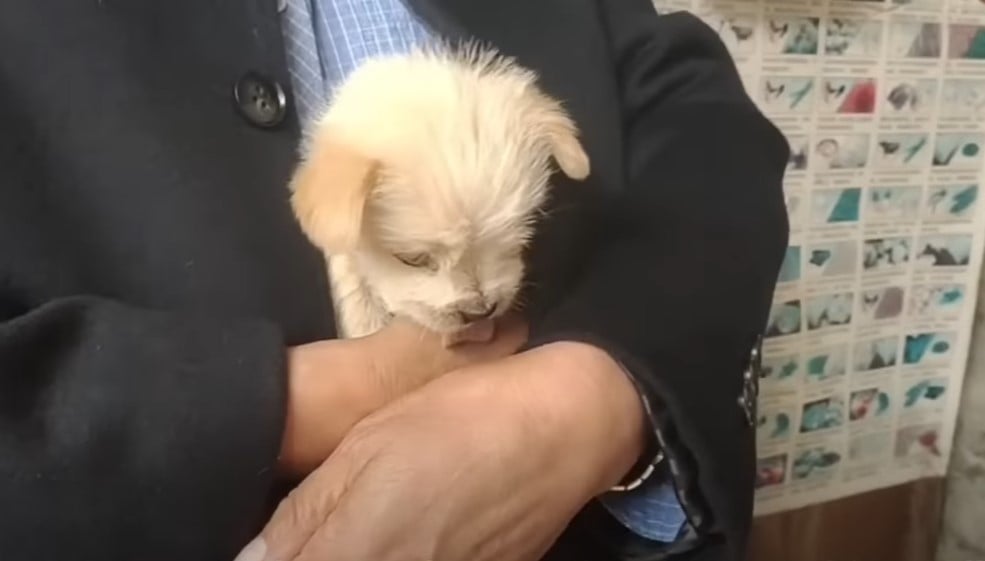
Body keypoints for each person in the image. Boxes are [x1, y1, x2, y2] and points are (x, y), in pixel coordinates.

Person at [0, 0, 789, 560]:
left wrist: (592, 395)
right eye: (421, 256)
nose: (477, 296)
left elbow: (704, 133)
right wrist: (284, 401)